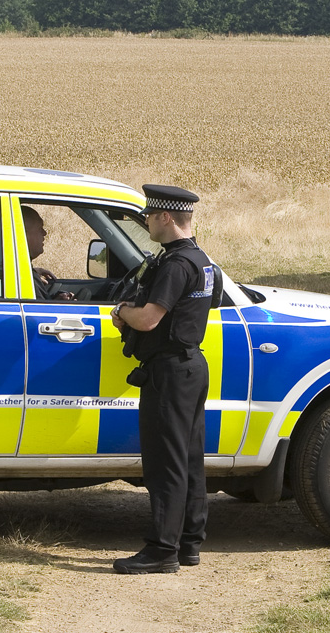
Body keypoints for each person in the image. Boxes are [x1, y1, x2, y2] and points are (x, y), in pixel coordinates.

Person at [109, 184, 219, 575]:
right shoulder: (202, 261)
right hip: (190, 365)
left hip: (170, 372)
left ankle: (161, 550)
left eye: (150, 216)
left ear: (166, 218)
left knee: (164, 463)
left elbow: (151, 317)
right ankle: (189, 543)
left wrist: (122, 311)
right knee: (189, 459)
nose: (146, 222)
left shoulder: (174, 265)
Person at [21, 205, 74, 300]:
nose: (45, 233)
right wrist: (59, 305)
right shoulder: (24, 279)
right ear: (24, 235)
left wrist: (33, 271)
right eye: (39, 228)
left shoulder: (22, 273)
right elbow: (37, 313)